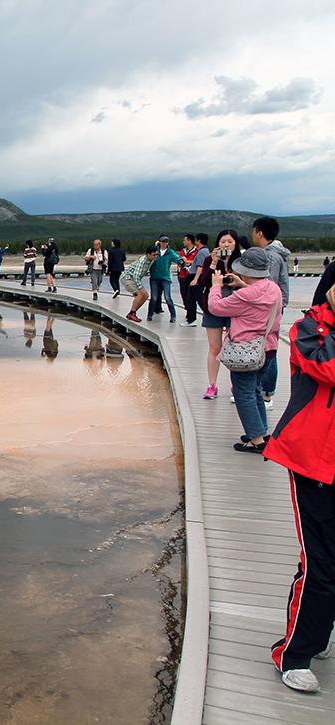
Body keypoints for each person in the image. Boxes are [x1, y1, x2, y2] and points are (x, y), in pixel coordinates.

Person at [263, 277, 335, 693]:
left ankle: (319, 628)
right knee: (321, 564)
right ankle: (294, 653)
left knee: (326, 561)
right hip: (313, 462)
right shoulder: (310, 329)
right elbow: (328, 368)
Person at [207, 247, 283, 453]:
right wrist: (242, 285)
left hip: (246, 352)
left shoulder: (247, 295)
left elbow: (215, 307)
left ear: (247, 271)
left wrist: (215, 286)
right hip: (268, 348)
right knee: (255, 390)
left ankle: (256, 441)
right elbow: (257, 297)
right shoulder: (273, 288)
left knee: (243, 393)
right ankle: (260, 432)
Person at [193, 230, 243, 399]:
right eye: (223, 242)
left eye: (230, 241)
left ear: (236, 243)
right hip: (213, 307)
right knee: (215, 347)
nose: (226, 245)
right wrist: (214, 263)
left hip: (235, 308)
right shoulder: (210, 259)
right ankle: (212, 385)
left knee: (234, 347)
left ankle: (236, 387)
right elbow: (204, 282)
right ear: (217, 243)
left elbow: (247, 285)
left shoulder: (241, 261)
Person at [253, 217, 290, 410]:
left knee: (270, 350)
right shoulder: (273, 253)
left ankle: (267, 396)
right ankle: (262, 391)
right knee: (269, 349)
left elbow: (269, 285)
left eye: (254, 231)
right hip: (274, 306)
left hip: (271, 308)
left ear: (259, 232)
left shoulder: (270, 256)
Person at [149, 235, 184, 322]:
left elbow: (177, 258)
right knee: (154, 297)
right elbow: (147, 258)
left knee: (167, 297)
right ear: (159, 242)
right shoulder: (155, 251)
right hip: (154, 278)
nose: (164, 243)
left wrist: (180, 261)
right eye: (163, 241)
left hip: (165, 278)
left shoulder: (170, 252)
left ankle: (173, 316)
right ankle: (150, 314)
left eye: (166, 241)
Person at [122, 245, 159, 322]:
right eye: (153, 255)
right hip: (127, 278)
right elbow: (136, 276)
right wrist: (140, 287)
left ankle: (132, 313)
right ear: (148, 254)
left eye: (156, 255)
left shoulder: (151, 260)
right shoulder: (142, 261)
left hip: (133, 279)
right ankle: (132, 313)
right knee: (140, 294)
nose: (155, 256)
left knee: (146, 296)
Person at [176, 234, 200, 326]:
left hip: (191, 276)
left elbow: (197, 262)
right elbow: (181, 261)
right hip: (182, 275)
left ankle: (191, 317)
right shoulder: (183, 251)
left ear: (189, 241)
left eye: (184, 240)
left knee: (191, 297)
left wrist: (187, 261)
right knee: (184, 294)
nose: (183, 241)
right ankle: (188, 312)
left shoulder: (197, 251)